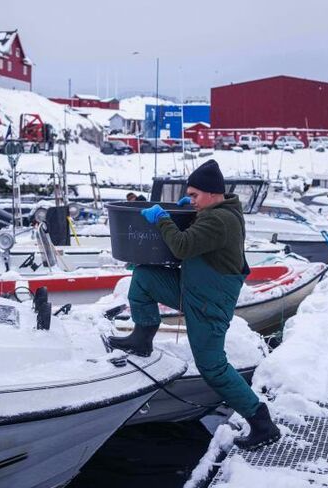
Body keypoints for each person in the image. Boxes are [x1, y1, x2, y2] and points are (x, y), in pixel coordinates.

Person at [108, 159, 281, 450]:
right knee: (144, 277)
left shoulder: (219, 220)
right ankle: (142, 337)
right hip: (193, 288)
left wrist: (163, 219)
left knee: (212, 367)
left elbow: (183, 246)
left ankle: (262, 422)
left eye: (195, 195)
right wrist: (184, 208)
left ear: (213, 194)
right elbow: (192, 237)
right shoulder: (216, 210)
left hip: (209, 303)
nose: (192, 201)